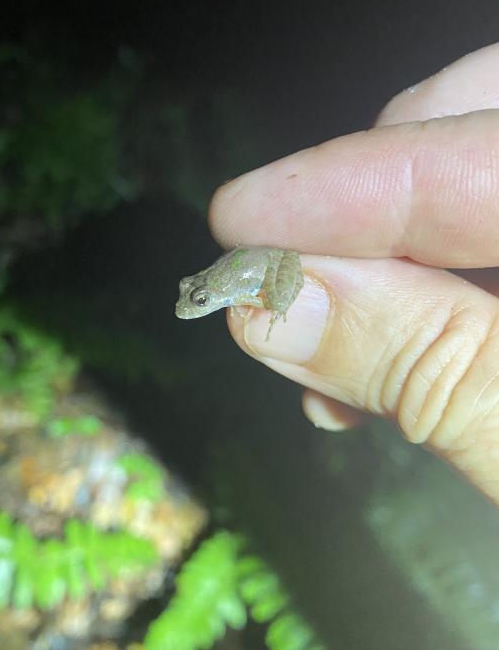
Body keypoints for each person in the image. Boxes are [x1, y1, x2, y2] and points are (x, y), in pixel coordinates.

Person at [208, 42, 499, 505]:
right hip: (264, 259)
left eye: (198, 298)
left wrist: (275, 300)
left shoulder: (226, 285)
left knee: (286, 295)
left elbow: (260, 272)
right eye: (197, 298)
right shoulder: (223, 283)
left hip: (277, 260)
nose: (196, 302)